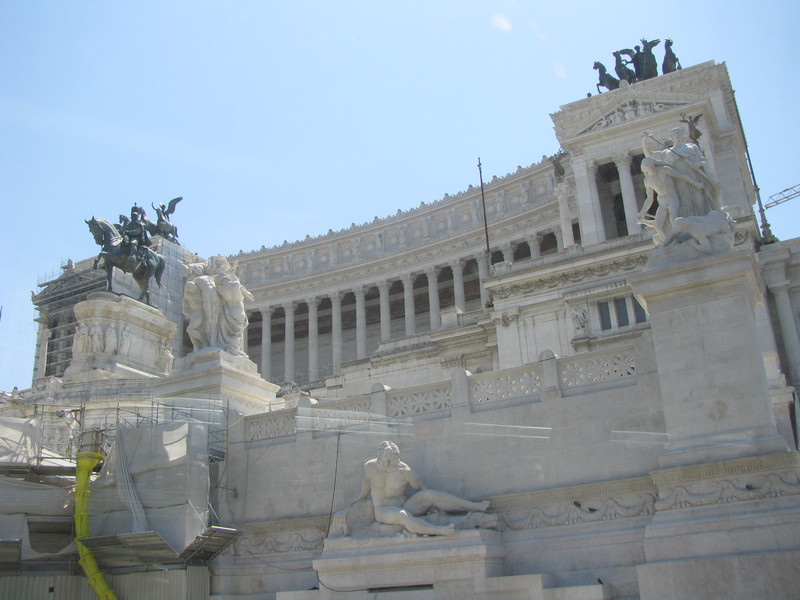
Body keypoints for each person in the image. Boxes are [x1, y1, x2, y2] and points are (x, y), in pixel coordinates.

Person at [355, 441, 490, 536]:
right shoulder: (370, 467)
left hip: (405, 506)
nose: (385, 463)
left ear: (395, 460)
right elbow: (365, 486)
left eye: (389, 460)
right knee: (402, 516)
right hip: (383, 511)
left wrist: (431, 505)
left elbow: (421, 489)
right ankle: (439, 530)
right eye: (382, 459)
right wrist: (358, 501)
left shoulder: (405, 472)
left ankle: (475, 506)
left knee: (429, 495)